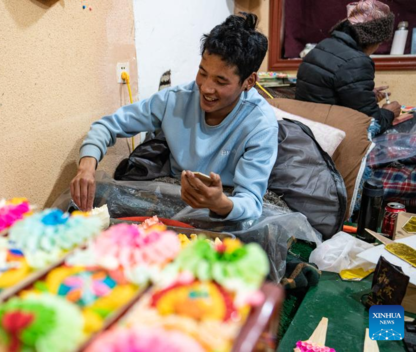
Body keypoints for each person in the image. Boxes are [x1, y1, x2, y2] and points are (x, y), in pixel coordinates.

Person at [70, 12, 278, 222]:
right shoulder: (176, 100)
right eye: (202, 73)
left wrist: (219, 203)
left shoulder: (260, 123)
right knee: (99, 206)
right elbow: (107, 126)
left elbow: (250, 201)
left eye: (221, 81)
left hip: (228, 202)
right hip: (176, 191)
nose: (206, 88)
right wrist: (87, 164)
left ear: (249, 82)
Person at [295, 0, 401, 134]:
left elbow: (328, 94)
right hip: (330, 137)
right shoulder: (357, 61)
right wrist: (389, 112)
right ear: (372, 39)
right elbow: (370, 122)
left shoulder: (324, 45)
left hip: (306, 128)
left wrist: (366, 95)